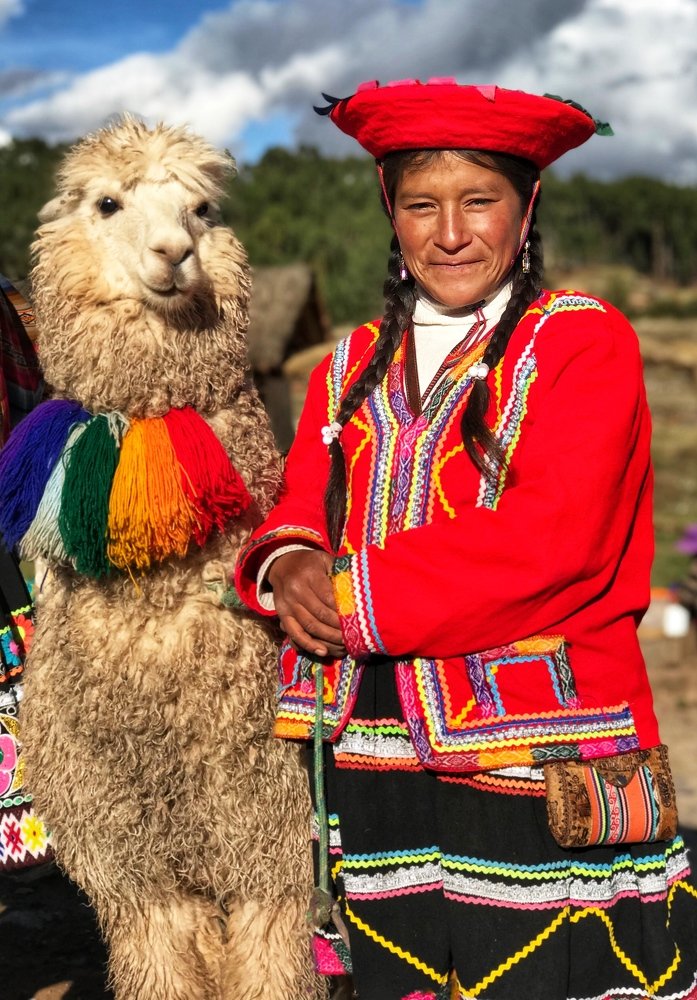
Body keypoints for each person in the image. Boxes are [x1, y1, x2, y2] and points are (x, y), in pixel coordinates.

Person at [235, 80, 697, 1000]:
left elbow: (553, 537)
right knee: (396, 972)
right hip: (369, 746)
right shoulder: (347, 366)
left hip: (537, 744)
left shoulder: (578, 343)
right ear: (391, 214)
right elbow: (300, 502)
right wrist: (288, 562)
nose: (449, 233)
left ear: (525, 209)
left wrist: (349, 594)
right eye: (421, 205)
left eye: (478, 201)